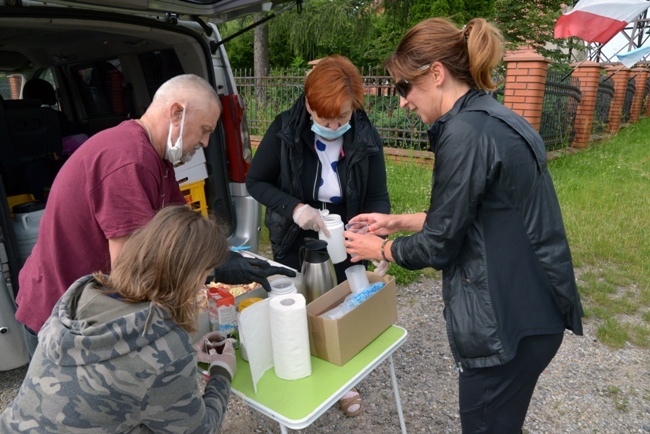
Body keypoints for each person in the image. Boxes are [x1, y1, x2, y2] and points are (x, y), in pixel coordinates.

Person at [344, 18, 584, 433]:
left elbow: (439, 245)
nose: (402, 101)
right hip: (533, 312)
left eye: (405, 87)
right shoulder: (491, 117)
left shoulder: (465, 131)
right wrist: (396, 220)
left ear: (436, 74)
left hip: (506, 329)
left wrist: (379, 250)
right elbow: (473, 216)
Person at [16, 73, 292, 358]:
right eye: (204, 129)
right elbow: (131, 271)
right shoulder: (129, 160)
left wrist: (223, 257)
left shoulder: (156, 158)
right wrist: (211, 272)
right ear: (176, 113)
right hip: (64, 316)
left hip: (94, 308)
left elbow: (184, 228)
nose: (207, 142)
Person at [1, 205, 236, 433]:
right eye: (205, 275)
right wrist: (221, 371)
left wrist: (189, 353)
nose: (202, 284)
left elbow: (115, 367)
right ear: (189, 277)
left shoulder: (83, 294)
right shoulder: (167, 346)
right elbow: (200, 429)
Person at [245, 54, 391, 417]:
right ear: (308, 103)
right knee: (298, 303)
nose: (333, 124)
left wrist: (373, 228)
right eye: (324, 118)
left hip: (345, 227)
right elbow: (255, 181)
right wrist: (296, 209)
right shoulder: (286, 130)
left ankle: (342, 379)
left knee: (342, 305)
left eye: (342, 117)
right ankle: (296, 368)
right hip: (298, 229)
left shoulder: (365, 135)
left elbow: (377, 195)